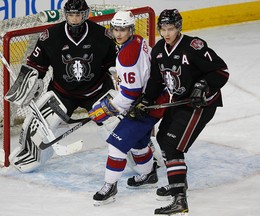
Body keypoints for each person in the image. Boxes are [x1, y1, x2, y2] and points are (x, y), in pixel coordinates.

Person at [128, 9, 230, 215]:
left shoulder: (194, 46)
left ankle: (179, 199)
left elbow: (221, 71)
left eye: (171, 28)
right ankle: (178, 184)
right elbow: (156, 81)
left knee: (172, 146)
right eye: (163, 29)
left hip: (201, 105)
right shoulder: (158, 50)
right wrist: (146, 100)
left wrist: (203, 85)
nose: (167, 33)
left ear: (179, 28)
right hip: (180, 102)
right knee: (164, 137)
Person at [8, 0, 117, 173]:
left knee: (117, 124)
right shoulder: (51, 36)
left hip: (97, 91)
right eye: (71, 15)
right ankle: (29, 153)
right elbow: (36, 66)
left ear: (86, 14)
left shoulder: (102, 36)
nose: (74, 19)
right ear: (66, 15)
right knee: (36, 125)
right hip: (62, 92)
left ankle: (139, 153)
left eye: (78, 15)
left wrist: (123, 91)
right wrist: (30, 85)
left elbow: (115, 66)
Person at [88, 10, 169, 206]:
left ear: (130, 29)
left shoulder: (127, 56)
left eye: (123, 29)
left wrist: (106, 110)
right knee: (138, 143)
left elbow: (130, 95)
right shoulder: (138, 40)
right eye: (116, 29)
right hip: (154, 99)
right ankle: (149, 175)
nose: (118, 33)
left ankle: (110, 186)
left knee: (116, 144)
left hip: (146, 105)